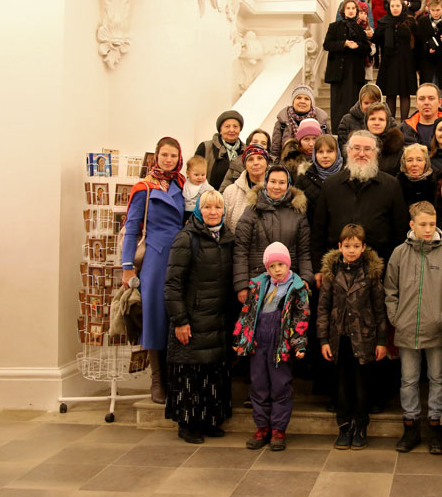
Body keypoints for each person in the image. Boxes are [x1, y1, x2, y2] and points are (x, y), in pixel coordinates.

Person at [385, 201, 442, 455]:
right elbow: (390, 289)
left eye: (432, 224)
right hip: (406, 328)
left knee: (438, 378)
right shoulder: (399, 253)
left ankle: (435, 427)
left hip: (436, 328)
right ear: (412, 224)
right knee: (408, 379)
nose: (428, 229)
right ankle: (411, 426)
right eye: (423, 224)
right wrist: (395, 317)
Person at [164, 190, 235, 444]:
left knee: (212, 371)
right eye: (207, 207)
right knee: (190, 372)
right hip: (192, 319)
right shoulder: (186, 238)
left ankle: (209, 420)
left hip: (218, 319)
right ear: (198, 210)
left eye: (217, 207)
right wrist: (180, 321)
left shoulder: (227, 238)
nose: (213, 212)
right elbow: (173, 284)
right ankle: (188, 424)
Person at [121, 137, 186, 404]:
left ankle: (177, 377)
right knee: (155, 316)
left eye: (173, 156)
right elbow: (131, 228)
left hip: (181, 255)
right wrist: (127, 267)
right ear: (156, 157)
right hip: (155, 258)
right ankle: (158, 380)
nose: (168, 160)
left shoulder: (183, 184)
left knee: (177, 315)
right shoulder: (144, 188)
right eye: (164, 155)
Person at [233, 242, 310, 452]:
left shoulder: (296, 288)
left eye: (281, 265)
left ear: (288, 265)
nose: (277, 270)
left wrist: (299, 344)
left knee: (280, 386)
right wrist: (242, 340)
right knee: (258, 385)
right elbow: (247, 314)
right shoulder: (259, 286)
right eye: (272, 266)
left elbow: (301, 318)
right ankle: (262, 427)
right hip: (259, 342)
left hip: (280, 345)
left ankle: (278, 429)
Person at [318, 224, 387, 450]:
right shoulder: (331, 273)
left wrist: (382, 341)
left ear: (363, 247)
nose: (351, 250)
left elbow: (379, 309)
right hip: (339, 338)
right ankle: (344, 426)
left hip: (364, 338)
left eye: (356, 246)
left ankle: (360, 426)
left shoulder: (371, 274)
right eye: (347, 246)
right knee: (342, 385)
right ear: (340, 246)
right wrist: (323, 340)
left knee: (361, 385)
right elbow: (323, 308)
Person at [310, 129, 409, 267]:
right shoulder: (330, 184)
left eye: (367, 149)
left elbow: (400, 231)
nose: (361, 154)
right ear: (348, 151)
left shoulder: (391, 185)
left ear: (375, 153)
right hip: (337, 267)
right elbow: (318, 231)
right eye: (356, 148)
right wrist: (317, 268)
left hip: (380, 266)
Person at [233, 164, 314, 304]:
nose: (277, 187)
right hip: (257, 284)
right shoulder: (251, 212)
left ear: (288, 185)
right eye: (273, 181)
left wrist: (306, 278)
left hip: (289, 284)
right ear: (266, 183)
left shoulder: (298, 213)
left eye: (282, 182)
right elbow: (241, 251)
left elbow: (304, 251)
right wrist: (241, 284)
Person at [324, 0, 373, 131]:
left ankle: (353, 132)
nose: (351, 11)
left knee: (353, 102)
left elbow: (367, 49)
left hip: (354, 72)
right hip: (338, 72)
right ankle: (337, 131)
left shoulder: (360, 29)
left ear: (356, 11)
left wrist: (357, 46)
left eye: (353, 8)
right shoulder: (334, 26)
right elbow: (327, 45)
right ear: (343, 11)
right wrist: (344, 44)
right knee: (338, 104)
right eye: (348, 8)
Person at [373, 0, 418, 121]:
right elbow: (376, 40)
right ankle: (390, 123)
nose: (395, 8)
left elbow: (417, 42)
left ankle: (405, 124)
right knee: (390, 94)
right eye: (392, 6)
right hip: (389, 62)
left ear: (402, 6)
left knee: (405, 94)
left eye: (398, 6)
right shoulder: (383, 22)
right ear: (389, 7)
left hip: (406, 62)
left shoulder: (410, 21)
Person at [270, 84, 330, 160]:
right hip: (289, 164)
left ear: (311, 102)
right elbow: (275, 151)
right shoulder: (282, 122)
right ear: (293, 100)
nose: (302, 101)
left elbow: (329, 146)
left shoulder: (321, 121)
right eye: (298, 98)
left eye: (306, 99)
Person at [296, 135, 344, 226]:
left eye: (329, 151)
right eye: (320, 152)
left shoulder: (347, 176)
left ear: (337, 152)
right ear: (315, 154)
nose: (325, 156)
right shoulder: (304, 177)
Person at [223, 144, 270, 232]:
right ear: (245, 165)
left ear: (267, 163)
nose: (256, 163)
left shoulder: (277, 189)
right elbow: (224, 225)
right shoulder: (230, 192)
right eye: (250, 159)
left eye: (260, 158)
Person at [415, 0, 442, 109]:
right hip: (427, 63)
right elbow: (418, 43)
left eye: (438, 10)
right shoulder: (422, 21)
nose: (435, 13)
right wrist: (427, 49)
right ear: (428, 9)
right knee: (426, 93)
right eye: (433, 10)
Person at [195, 110, 244, 191]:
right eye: (227, 126)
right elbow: (194, 174)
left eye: (235, 126)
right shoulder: (206, 147)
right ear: (220, 130)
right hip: (208, 196)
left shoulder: (246, 151)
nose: (231, 130)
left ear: (240, 129)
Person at [401, 82, 442, 147]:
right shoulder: (404, 128)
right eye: (422, 99)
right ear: (416, 103)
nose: (426, 102)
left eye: (431, 98)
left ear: (439, 102)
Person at [364, 101, 405, 176]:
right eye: (372, 119)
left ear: (387, 123)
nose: (376, 123)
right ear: (366, 122)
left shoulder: (396, 147)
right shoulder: (357, 145)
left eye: (381, 119)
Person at [337, 84, 383, 150]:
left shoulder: (388, 121)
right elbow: (343, 147)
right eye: (366, 103)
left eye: (373, 103)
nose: (369, 106)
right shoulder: (346, 120)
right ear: (360, 103)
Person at [182, 156, 214, 224]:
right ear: (188, 173)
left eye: (203, 175)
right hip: (186, 212)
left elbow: (213, 196)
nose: (200, 177)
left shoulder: (206, 187)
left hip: (199, 213)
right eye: (196, 175)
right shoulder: (185, 184)